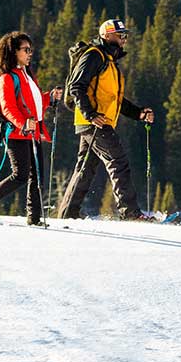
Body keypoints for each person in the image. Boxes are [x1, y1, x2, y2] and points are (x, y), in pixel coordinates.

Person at [56, 18, 156, 220]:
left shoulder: (109, 61)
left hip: (92, 122)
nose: (124, 40)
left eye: (125, 36)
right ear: (106, 36)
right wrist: (91, 114)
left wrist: (138, 113)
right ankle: (130, 213)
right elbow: (76, 86)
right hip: (94, 122)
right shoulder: (94, 56)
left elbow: (115, 99)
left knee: (85, 168)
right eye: (120, 36)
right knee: (118, 161)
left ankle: (68, 213)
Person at [0, 31, 63, 226]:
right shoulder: (7, 78)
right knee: (20, 175)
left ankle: (34, 218)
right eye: (25, 50)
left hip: (31, 132)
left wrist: (49, 98)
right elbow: (8, 108)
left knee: (36, 176)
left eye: (31, 50)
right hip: (17, 134)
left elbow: (33, 104)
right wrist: (23, 123)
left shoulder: (27, 76)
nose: (30, 53)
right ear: (13, 52)